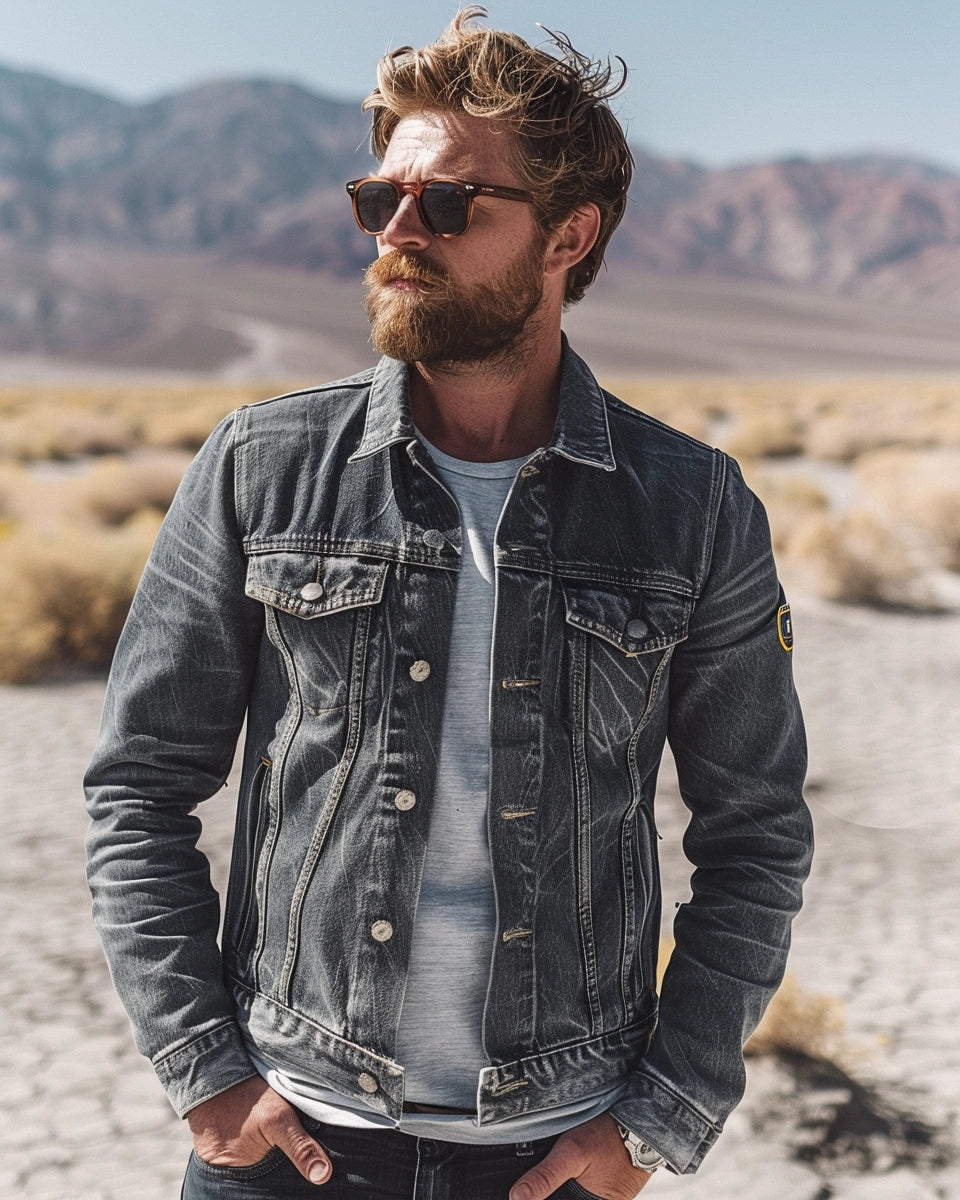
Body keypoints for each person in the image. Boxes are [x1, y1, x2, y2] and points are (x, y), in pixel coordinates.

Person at [85, 9, 813, 1199]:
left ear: (569, 234)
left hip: (555, 1152)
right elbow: (139, 783)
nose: (398, 233)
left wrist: (657, 1118)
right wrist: (203, 1070)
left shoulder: (692, 507)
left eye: (450, 204)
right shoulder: (260, 466)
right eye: (382, 201)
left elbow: (758, 837)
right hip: (292, 1142)